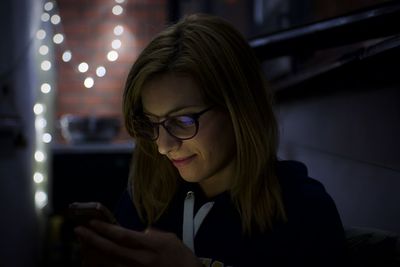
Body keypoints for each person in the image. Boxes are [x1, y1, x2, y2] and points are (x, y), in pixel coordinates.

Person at [74, 13, 347, 266]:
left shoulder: (305, 212)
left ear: (238, 109)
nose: (163, 146)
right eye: (151, 123)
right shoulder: (145, 199)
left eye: (182, 121)